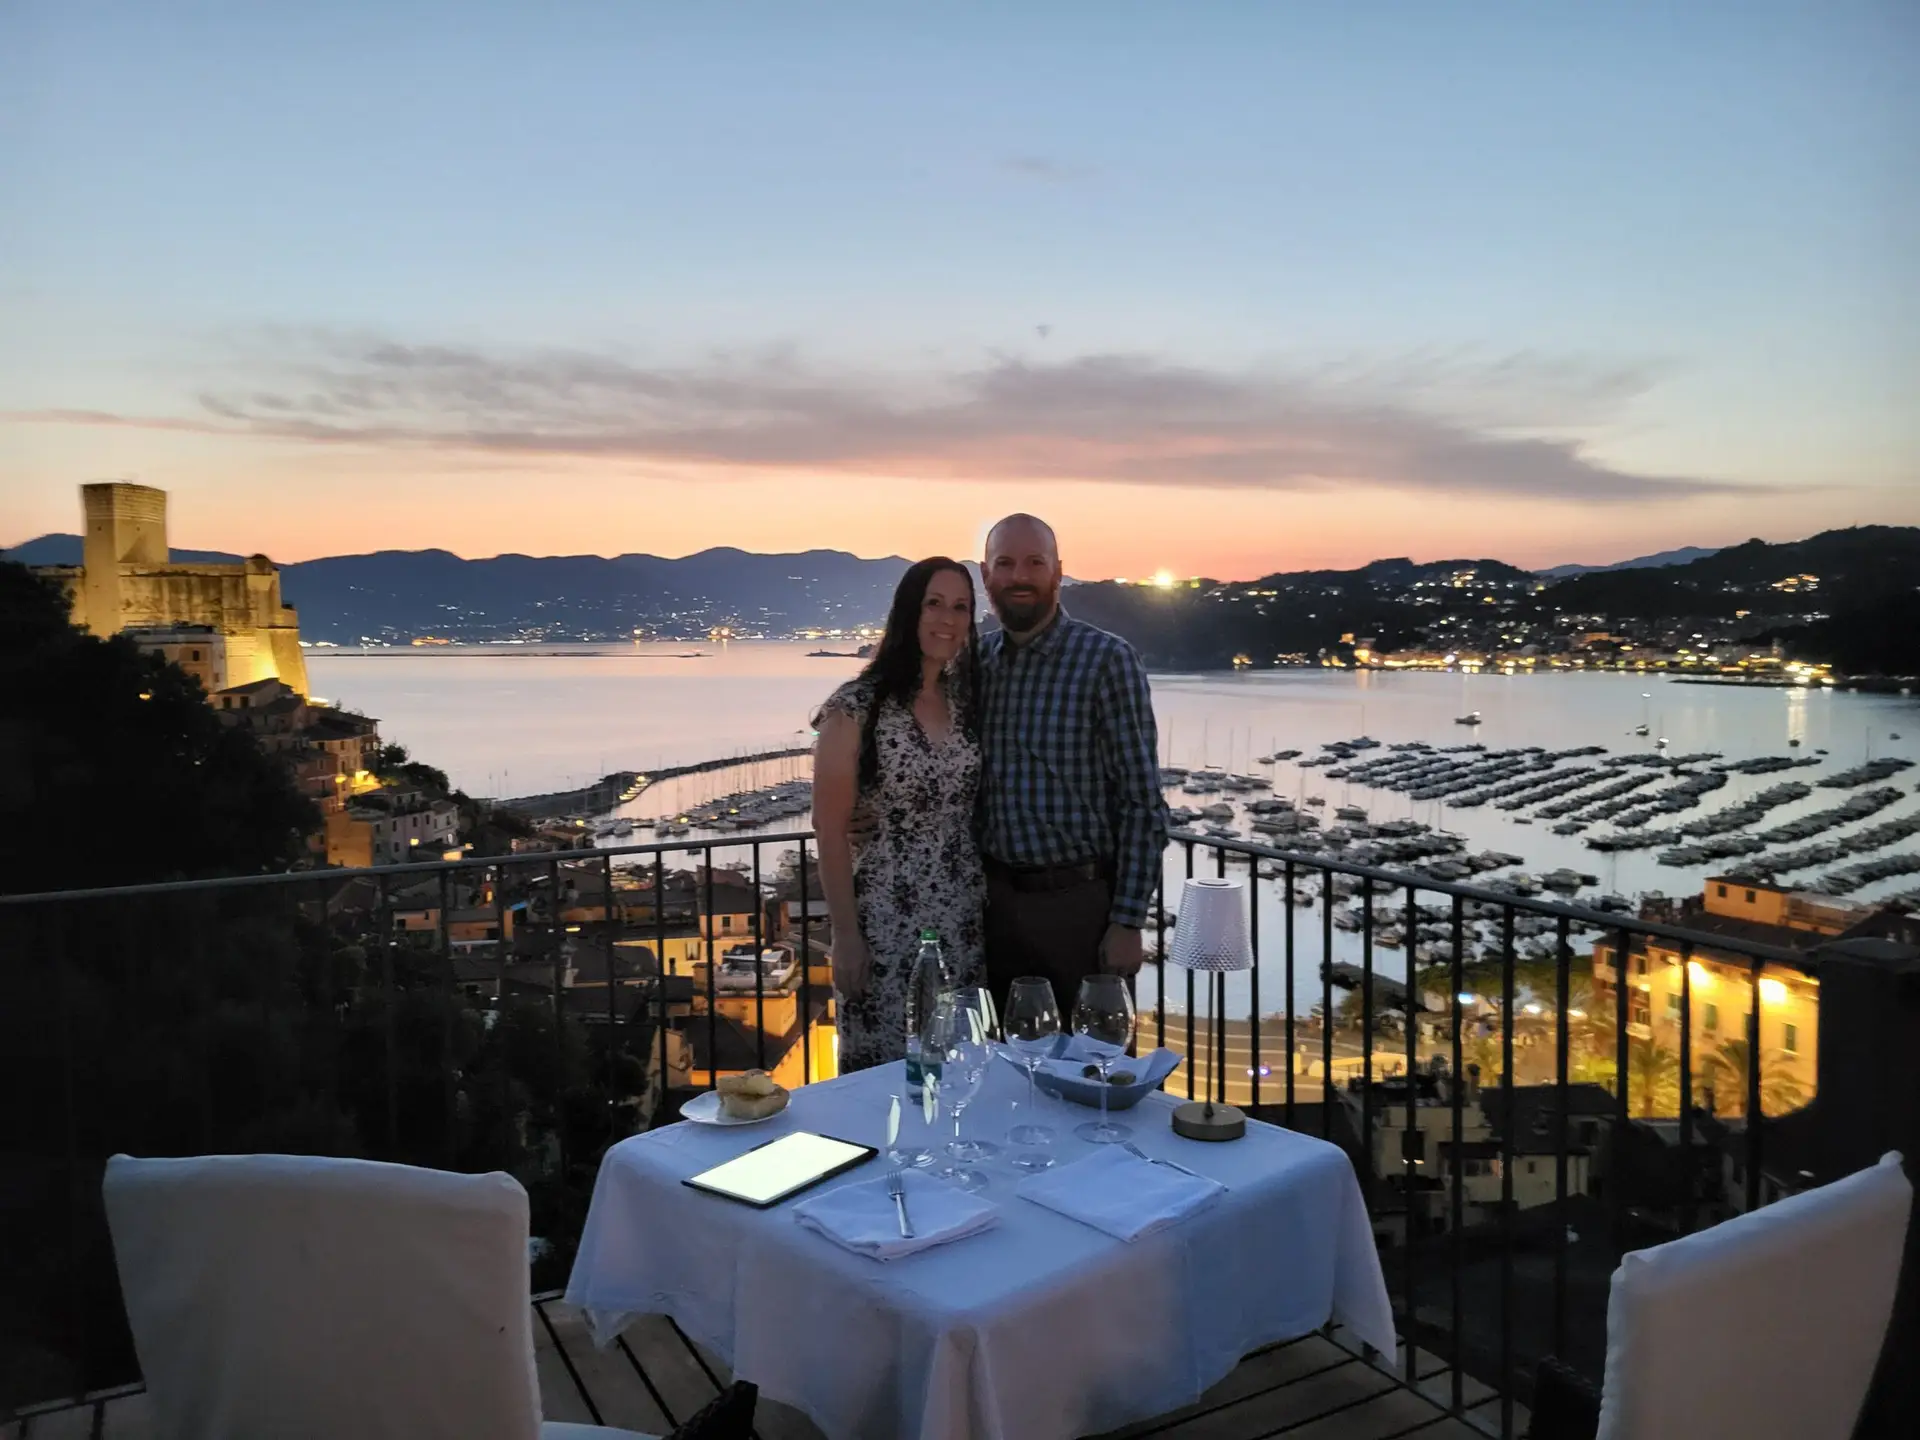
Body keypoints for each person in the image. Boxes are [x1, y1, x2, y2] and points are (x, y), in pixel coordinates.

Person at [977, 514, 1169, 1017]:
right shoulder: (976, 662)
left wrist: (1128, 921)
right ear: (985, 575)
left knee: (1092, 1070)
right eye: (1006, 563)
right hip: (990, 907)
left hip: (1078, 907)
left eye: (1034, 563)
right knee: (1000, 1071)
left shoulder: (1107, 660)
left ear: (1057, 572)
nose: (1020, 576)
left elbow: (1142, 802)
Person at [811, 557, 985, 1072]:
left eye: (961, 607)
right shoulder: (854, 708)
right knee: (886, 1075)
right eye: (934, 603)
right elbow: (829, 829)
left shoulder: (965, 702)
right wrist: (845, 936)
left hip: (963, 916)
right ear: (908, 611)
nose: (947, 619)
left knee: (959, 1068)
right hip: (886, 921)